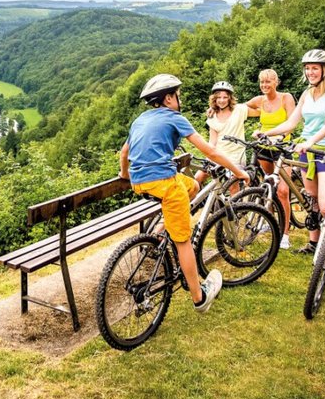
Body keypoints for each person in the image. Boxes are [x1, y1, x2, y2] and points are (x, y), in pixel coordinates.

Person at [120, 73, 249, 312]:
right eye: (177, 95)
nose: (179, 99)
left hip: (141, 182)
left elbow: (124, 152)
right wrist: (238, 172)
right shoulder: (175, 117)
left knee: (193, 186)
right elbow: (210, 151)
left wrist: (125, 176)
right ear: (168, 98)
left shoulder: (140, 119)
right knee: (183, 242)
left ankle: (163, 228)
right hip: (164, 184)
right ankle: (200, 297)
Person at [263, 50, 325, 257]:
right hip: (306, 152)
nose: (310, 72)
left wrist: (311, 141)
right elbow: (292, 122)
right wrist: (266, 133)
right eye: (308, 68)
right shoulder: (306, 94)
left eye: (314, 68)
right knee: (311, 199)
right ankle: (313, 241)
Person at [245, 69, 295, 250]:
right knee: (269, 187)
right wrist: (215, 107)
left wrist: (283, 135)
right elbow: (240, 107)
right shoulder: (259, 100)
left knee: (282, 191)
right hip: (264, 148)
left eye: (268, 82)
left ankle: (285, 232)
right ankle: (271, 221)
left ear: (276, 82)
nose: (265, 85)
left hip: (282, 149)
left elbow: (292, 121)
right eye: (262, 82)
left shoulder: (286, 98)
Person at [193, 81, 251, 185]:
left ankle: (237, 202)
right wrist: (208, 155)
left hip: (235, 157)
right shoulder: (213, 116)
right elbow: (212, 142)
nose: (222, 100)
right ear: (214, 99)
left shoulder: (239, 110)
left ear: (230, 98)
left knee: (232, 185)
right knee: (197, 178)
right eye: (219, 97)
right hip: (219, 155)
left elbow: (261, 109)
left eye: (225, 97)